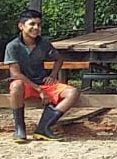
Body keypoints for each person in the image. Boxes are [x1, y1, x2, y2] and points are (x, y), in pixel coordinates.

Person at [5, 8, 80, 143]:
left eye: (39, 25)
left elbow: (59, 59)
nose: (36, 28)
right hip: (26, 85)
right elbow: (16, 74)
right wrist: (39, 90)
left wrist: (52, 75)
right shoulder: (13, 46)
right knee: (16, 86)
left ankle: (44, 127)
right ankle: (20, 129)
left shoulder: (44, 43)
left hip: (43, 83)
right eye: (32, 24)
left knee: (72, 92)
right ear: (21, 26)